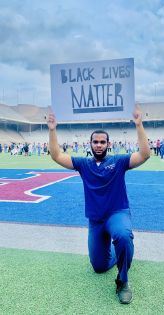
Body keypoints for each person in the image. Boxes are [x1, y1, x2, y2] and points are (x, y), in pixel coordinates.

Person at [47, 105, 150, 304]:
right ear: (90, 144)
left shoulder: (118, 162)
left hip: (117, 214)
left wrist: (139, 124)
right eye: (96, 142)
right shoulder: (84, 164)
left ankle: (123, 280)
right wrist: (52, 129)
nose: (99, 145)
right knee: (98, 267)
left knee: (122, 235)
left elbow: (144, 155)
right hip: (95, 221)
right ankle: (125, 255)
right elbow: (57, 156)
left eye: (103, 142)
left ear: (108, 144)